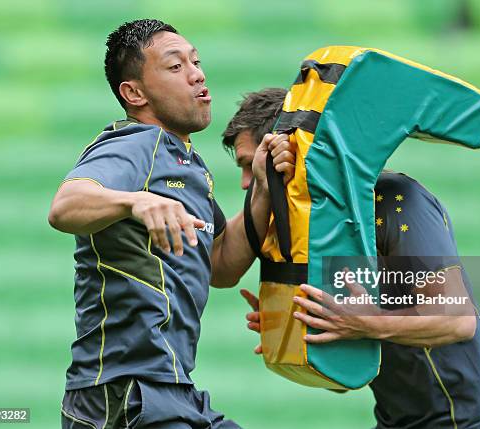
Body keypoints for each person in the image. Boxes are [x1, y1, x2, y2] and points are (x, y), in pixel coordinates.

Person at [222, 88, 480, 429]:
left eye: (251, 165)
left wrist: (363, 323)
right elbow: (348, 376)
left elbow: (457, 321)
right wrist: (304, 330)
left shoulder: (396, 200)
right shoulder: (315, 229)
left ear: (288, 151)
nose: (245, 182)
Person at [48, 21, 295, 429]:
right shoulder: (134, 144)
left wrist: (265, 189)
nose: (197, 73)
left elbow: (221, 265)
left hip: (173, 389)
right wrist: (136, 201)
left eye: (196, 62)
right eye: (175, 66)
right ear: (134, 93)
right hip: (121, 394)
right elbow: (65, 206)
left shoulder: (188, 164)